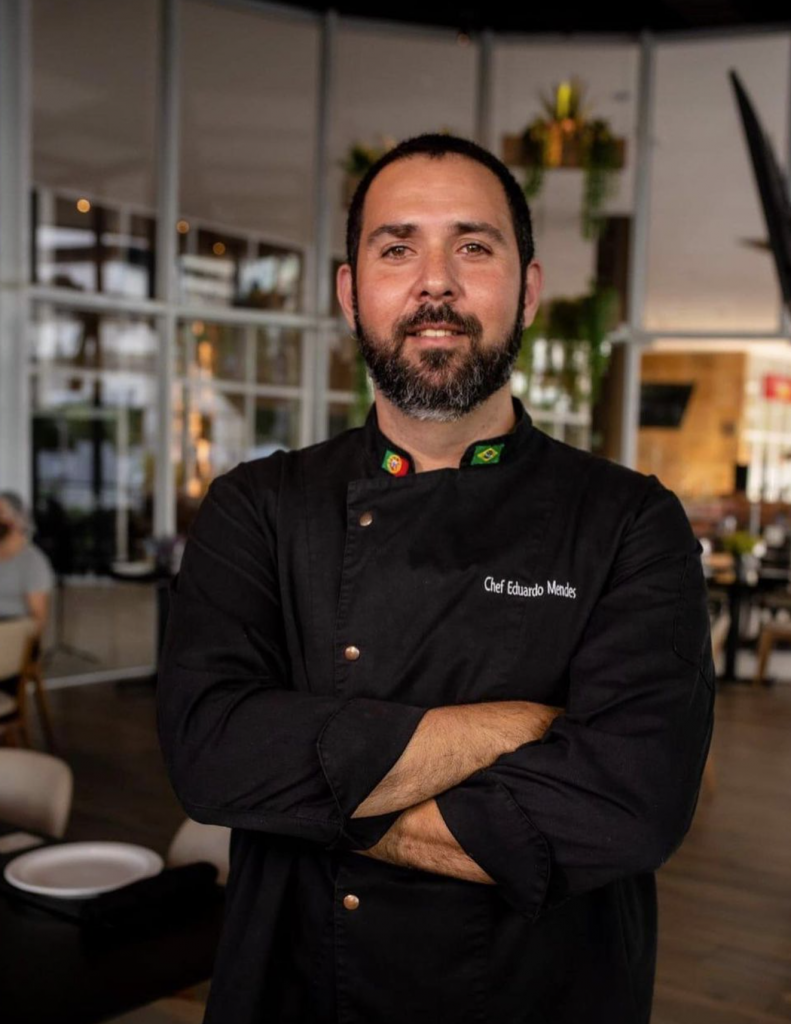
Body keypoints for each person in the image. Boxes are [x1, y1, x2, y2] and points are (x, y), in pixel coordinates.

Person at [156, 133, 715, 1024]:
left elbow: (625, 805)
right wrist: (507, 729)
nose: (435, 283)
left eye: (473, 246)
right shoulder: (257, 506)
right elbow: (211, 753)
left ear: (527, 288)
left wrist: (311, 795)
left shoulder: (628, 522)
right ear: (350, 293)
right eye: (395, 247)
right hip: (296, 986)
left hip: (540, 994)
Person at [0, 490, 54, 692]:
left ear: (16, 519)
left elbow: (38, 619)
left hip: (14, 642)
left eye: (1, 513)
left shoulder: (33, 562)